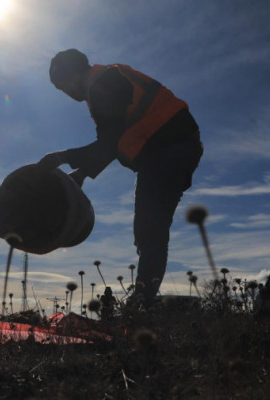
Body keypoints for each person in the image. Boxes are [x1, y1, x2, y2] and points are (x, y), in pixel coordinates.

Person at [39, 48, 203, 305]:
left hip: (169, 148)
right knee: (149, 229)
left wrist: (60, 157)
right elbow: (115, 141)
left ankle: (142, 303)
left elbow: (109, 144)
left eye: (63, 86)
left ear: (73, 73)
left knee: (150, 228)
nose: (67, 94)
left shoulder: (103, 84)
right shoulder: (104, 81)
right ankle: (143, 299)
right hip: (169, 148)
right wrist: (82, 173)